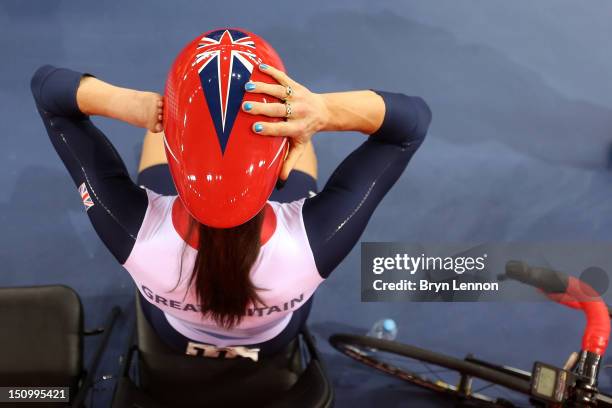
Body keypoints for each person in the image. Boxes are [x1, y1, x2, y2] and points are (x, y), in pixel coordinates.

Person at [30, 31, 431, 360]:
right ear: (280, 167)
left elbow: (49, 94)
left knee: (166, 134)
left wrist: (128, 104)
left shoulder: (133, 231)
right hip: (272, 340)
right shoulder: (313, 243)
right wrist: (323, 111)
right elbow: (410, 125)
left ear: (178, 165)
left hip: (172, 334)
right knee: (297, 136)